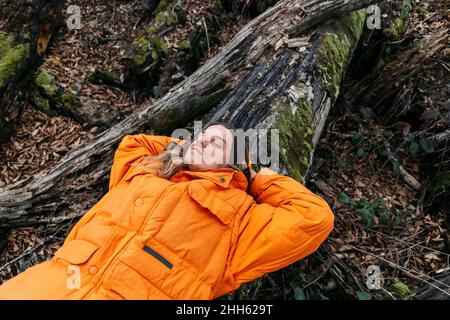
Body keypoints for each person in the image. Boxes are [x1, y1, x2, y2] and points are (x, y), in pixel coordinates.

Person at [0, 122, 334, 299]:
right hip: (53, 282)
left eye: (215, 142)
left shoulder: (242, 216)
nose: (202, 140)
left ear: (233, 164)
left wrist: (259, 178)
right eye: (200, 136)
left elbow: (313, 218)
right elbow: (135, 141)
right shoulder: (148, 169)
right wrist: (178, 150)